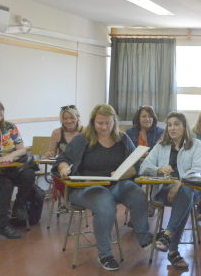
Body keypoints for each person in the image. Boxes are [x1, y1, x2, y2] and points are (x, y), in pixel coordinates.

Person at [52, 104, 153, 271]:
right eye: (100, 123)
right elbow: (61, 160)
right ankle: (105, 254)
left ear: (114, 122)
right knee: (104, 201)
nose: (104, 127)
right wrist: (64, 169)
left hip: (115, 185)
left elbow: (136, 166)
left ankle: (144, 238)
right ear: (93, 122)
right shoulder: (82, 139)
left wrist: (122, 174)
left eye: (108, 123)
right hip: (85, 189)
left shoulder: (122, 139)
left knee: (136, 193)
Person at [139, 112, 201, 269]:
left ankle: (167, 235)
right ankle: (173, 250)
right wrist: (159, 169)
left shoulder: (196, 144)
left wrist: (179, 182)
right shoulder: (161, 146)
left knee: (186, 191)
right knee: (185, 200)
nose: (172, 128)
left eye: (176, 124)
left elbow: (197, 170)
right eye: (169, 125)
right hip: (164, 191)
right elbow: (143, 168)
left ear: (184, 127)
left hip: (190, 189)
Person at [0, 99, 36, 239]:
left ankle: (18, 206)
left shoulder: (10, 127)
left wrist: (10, 155)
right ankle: (3, 226)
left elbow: (21, 150)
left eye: (0, 110)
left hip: (10, 170)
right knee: (6, 184)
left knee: (29, 174)